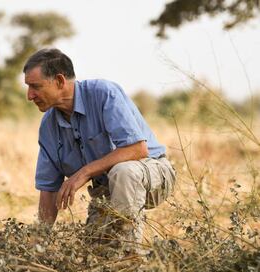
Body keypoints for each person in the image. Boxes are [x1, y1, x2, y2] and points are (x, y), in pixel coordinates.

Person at [23, 48, 176, 252]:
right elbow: (49, 190)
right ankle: (154, 253)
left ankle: (129, 255)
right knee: (95, 253)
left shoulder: (104, 93)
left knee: (124, 172)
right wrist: (38, 244)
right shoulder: (48, 126)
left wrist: (84, 173)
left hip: (153, 173)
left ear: (60, 81)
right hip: (107, 192)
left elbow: (137, 149)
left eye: (35, 86)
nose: (29, 95)